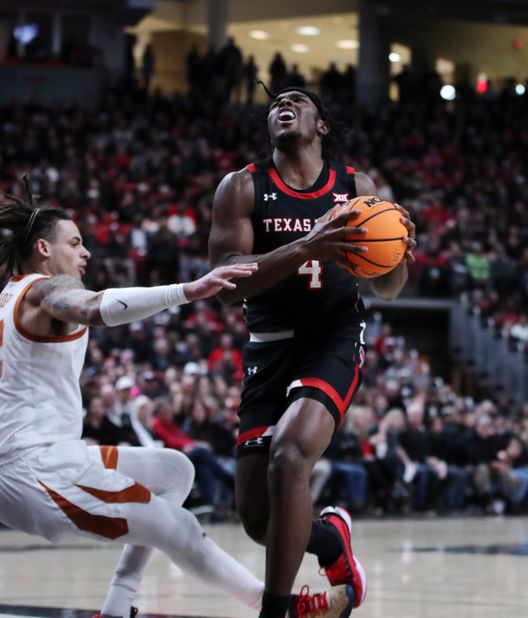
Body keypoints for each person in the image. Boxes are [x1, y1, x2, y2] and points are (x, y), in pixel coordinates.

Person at [0, 181, 355, 618]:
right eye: (75, 243)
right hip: (33, 473)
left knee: (174, 472)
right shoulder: (44, 291)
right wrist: (188, 290)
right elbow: (92, 307)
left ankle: (116, 606)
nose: (85, 253)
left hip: (38, 461)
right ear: (42, 249)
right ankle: (282, 607)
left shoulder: (8, 305)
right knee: (178, 527)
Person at [208, 87, 416, 617]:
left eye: (297, 100)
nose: (283, 104)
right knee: (258, 519)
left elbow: (390, 288)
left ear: (321, 125)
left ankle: (275, 613)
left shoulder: (355, 188)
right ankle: (330, 543)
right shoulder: (242, 187)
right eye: (276, 102)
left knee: (291, 456)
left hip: (333, 338)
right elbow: (227, 285)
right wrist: (307, 245)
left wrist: (398, 252)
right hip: (269, 347)